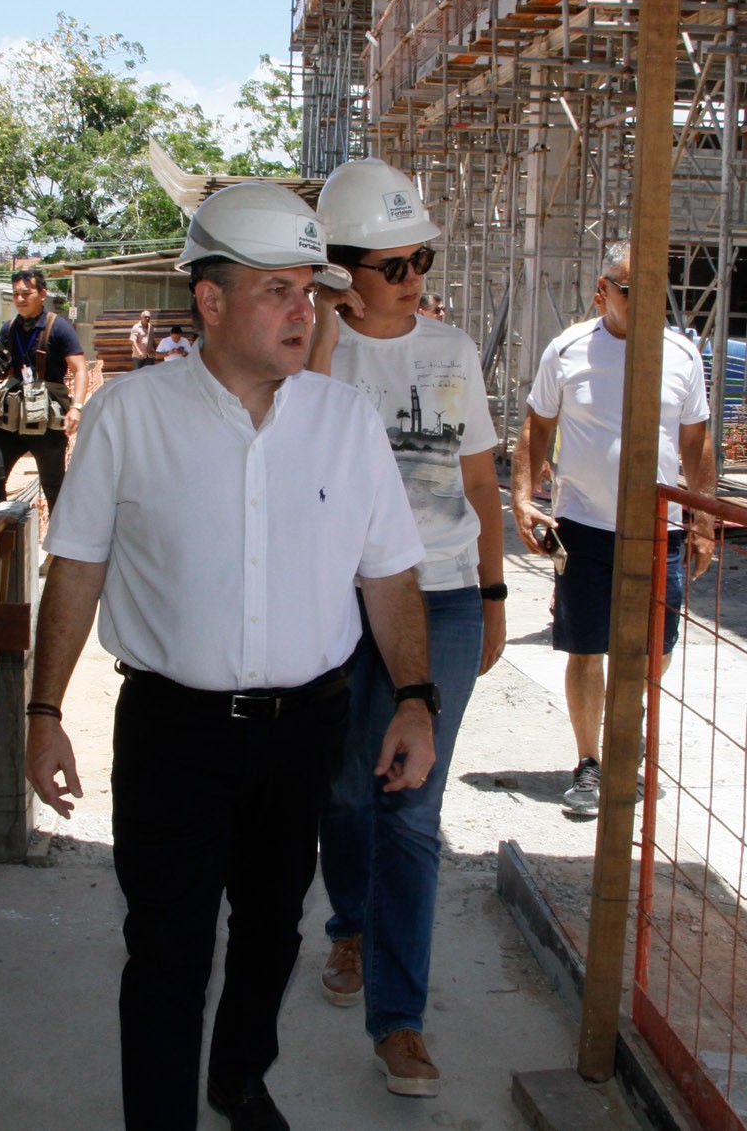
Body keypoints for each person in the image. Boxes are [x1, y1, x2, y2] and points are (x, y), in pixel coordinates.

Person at [24, 181, 439, 1131]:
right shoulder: (131, 417)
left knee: (270, 930)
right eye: (280, 291)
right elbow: (77, 569)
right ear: (210, 302)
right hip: (174, 729)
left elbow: (389, 577)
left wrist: (415, 695)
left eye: (313, 290)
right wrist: (44, 713)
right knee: (166, 947)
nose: (307, 312)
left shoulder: (345, 421)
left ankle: (239, 1076)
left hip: (306, 730)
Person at [306, 157, 505, 1098]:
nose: (415, 279)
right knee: (346, 788)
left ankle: (401, 1021)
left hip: (446, 596)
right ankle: (349, 923)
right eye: (392, 264)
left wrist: (495, 593)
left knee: (413, 810)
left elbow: (479, 483)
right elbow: (294, 431)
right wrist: (319, 322)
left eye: (421, 257)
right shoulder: (319, 349)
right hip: (344, 600)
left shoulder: (454, 351)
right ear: (344, 270)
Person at [509, 240, 716, 819]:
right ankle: (590, 762)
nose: (647, 301)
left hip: (662, 532)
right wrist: (524, 496)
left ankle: (632, 725)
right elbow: (536, 427)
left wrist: (703, 520)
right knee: (586, 646)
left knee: (657, 649)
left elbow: (696, 441)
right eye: (632, 289)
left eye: (656, 290)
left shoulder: (682, 354)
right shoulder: (568, 350)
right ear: (604, 292)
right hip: (585, 527)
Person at [0, 267, 88, 511]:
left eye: (26, 293)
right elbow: (9, 371)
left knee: (53, 487)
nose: (20, 299)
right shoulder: (7, 329)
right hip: (12, 419)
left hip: (46, 420)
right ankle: (3, 536)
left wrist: (77, 408)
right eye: (16, 294)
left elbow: (80, 369)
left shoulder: (59, 328)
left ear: (42, 294)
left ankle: (60, 546)